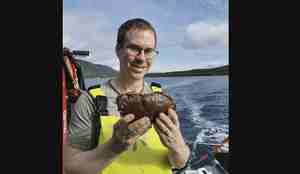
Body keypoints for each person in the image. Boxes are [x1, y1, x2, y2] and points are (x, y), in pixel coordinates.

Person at [64, 18, 190, 174]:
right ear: (118, 50)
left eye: (148, 50)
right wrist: (114, 146)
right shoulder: (91, 100)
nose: (141, 58)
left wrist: (177, 146)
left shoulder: (162, 99)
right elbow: (70, 168)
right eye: (134, 48)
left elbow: (179, 162)